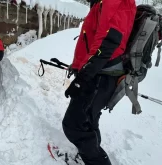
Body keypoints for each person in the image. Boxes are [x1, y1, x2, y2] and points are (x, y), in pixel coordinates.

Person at [62, 0, 136, 165]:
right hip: (99, 73)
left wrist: (83, 77)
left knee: (74, 125)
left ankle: (96, 161)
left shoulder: (114, 2)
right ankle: (89, 155)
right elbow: (94, 38)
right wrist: (79, 67)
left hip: (100, 74)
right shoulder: (105, 3)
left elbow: (109, 41)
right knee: (88, 119)